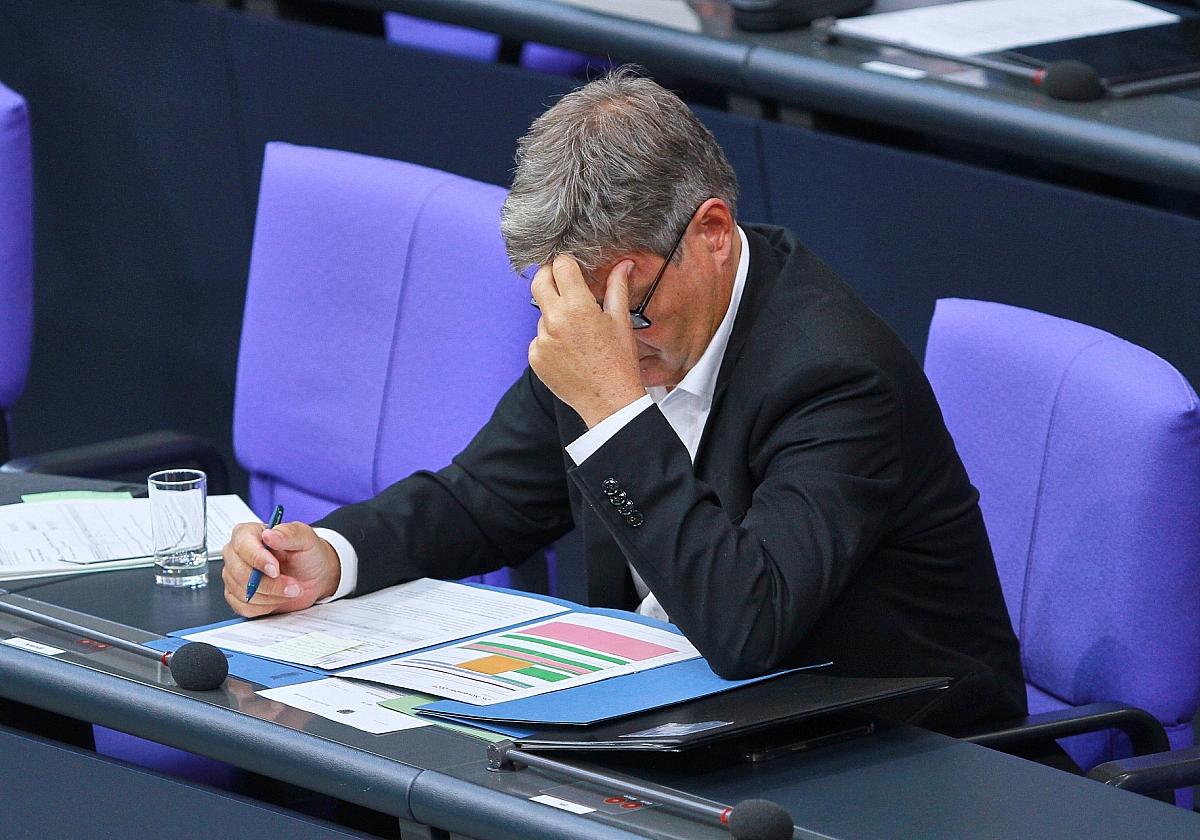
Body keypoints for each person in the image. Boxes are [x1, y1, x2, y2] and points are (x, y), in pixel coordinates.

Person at [221, 68, 1027, 733]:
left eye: (630, 306)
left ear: (713, 232)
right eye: (575, 305)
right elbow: (483, 498)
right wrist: (333, 556)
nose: (607, 339)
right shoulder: (609, 326)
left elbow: (749, 624)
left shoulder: (837, 376)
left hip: (891, 753)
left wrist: (614, 410)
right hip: (688, 723)